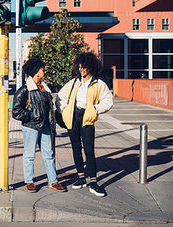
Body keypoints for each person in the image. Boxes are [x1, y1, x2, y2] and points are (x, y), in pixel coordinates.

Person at [56, 52, 113, 197]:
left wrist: (95, 109)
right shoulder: (74, 82)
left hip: (87, 118)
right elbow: (60, 97)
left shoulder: (99, 84)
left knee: (89, 150)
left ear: (91, 67)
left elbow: (108, 101)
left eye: (84, 67)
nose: (81, 70)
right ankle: (81, 177)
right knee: (76, 148)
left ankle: (93, 181)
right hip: (73, 117)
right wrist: (64, 109)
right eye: (79, 67)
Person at [12, 57, 66, 193]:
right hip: (31, 126)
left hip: (45, 126)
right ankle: (29, 182)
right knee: (29, 155)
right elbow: (16, 112)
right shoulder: (25, 90)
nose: (44, 71)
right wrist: (32, 116)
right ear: (36, 72)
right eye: (42, 69)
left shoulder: (44, 89)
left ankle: (53, 181)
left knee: (49, 154)